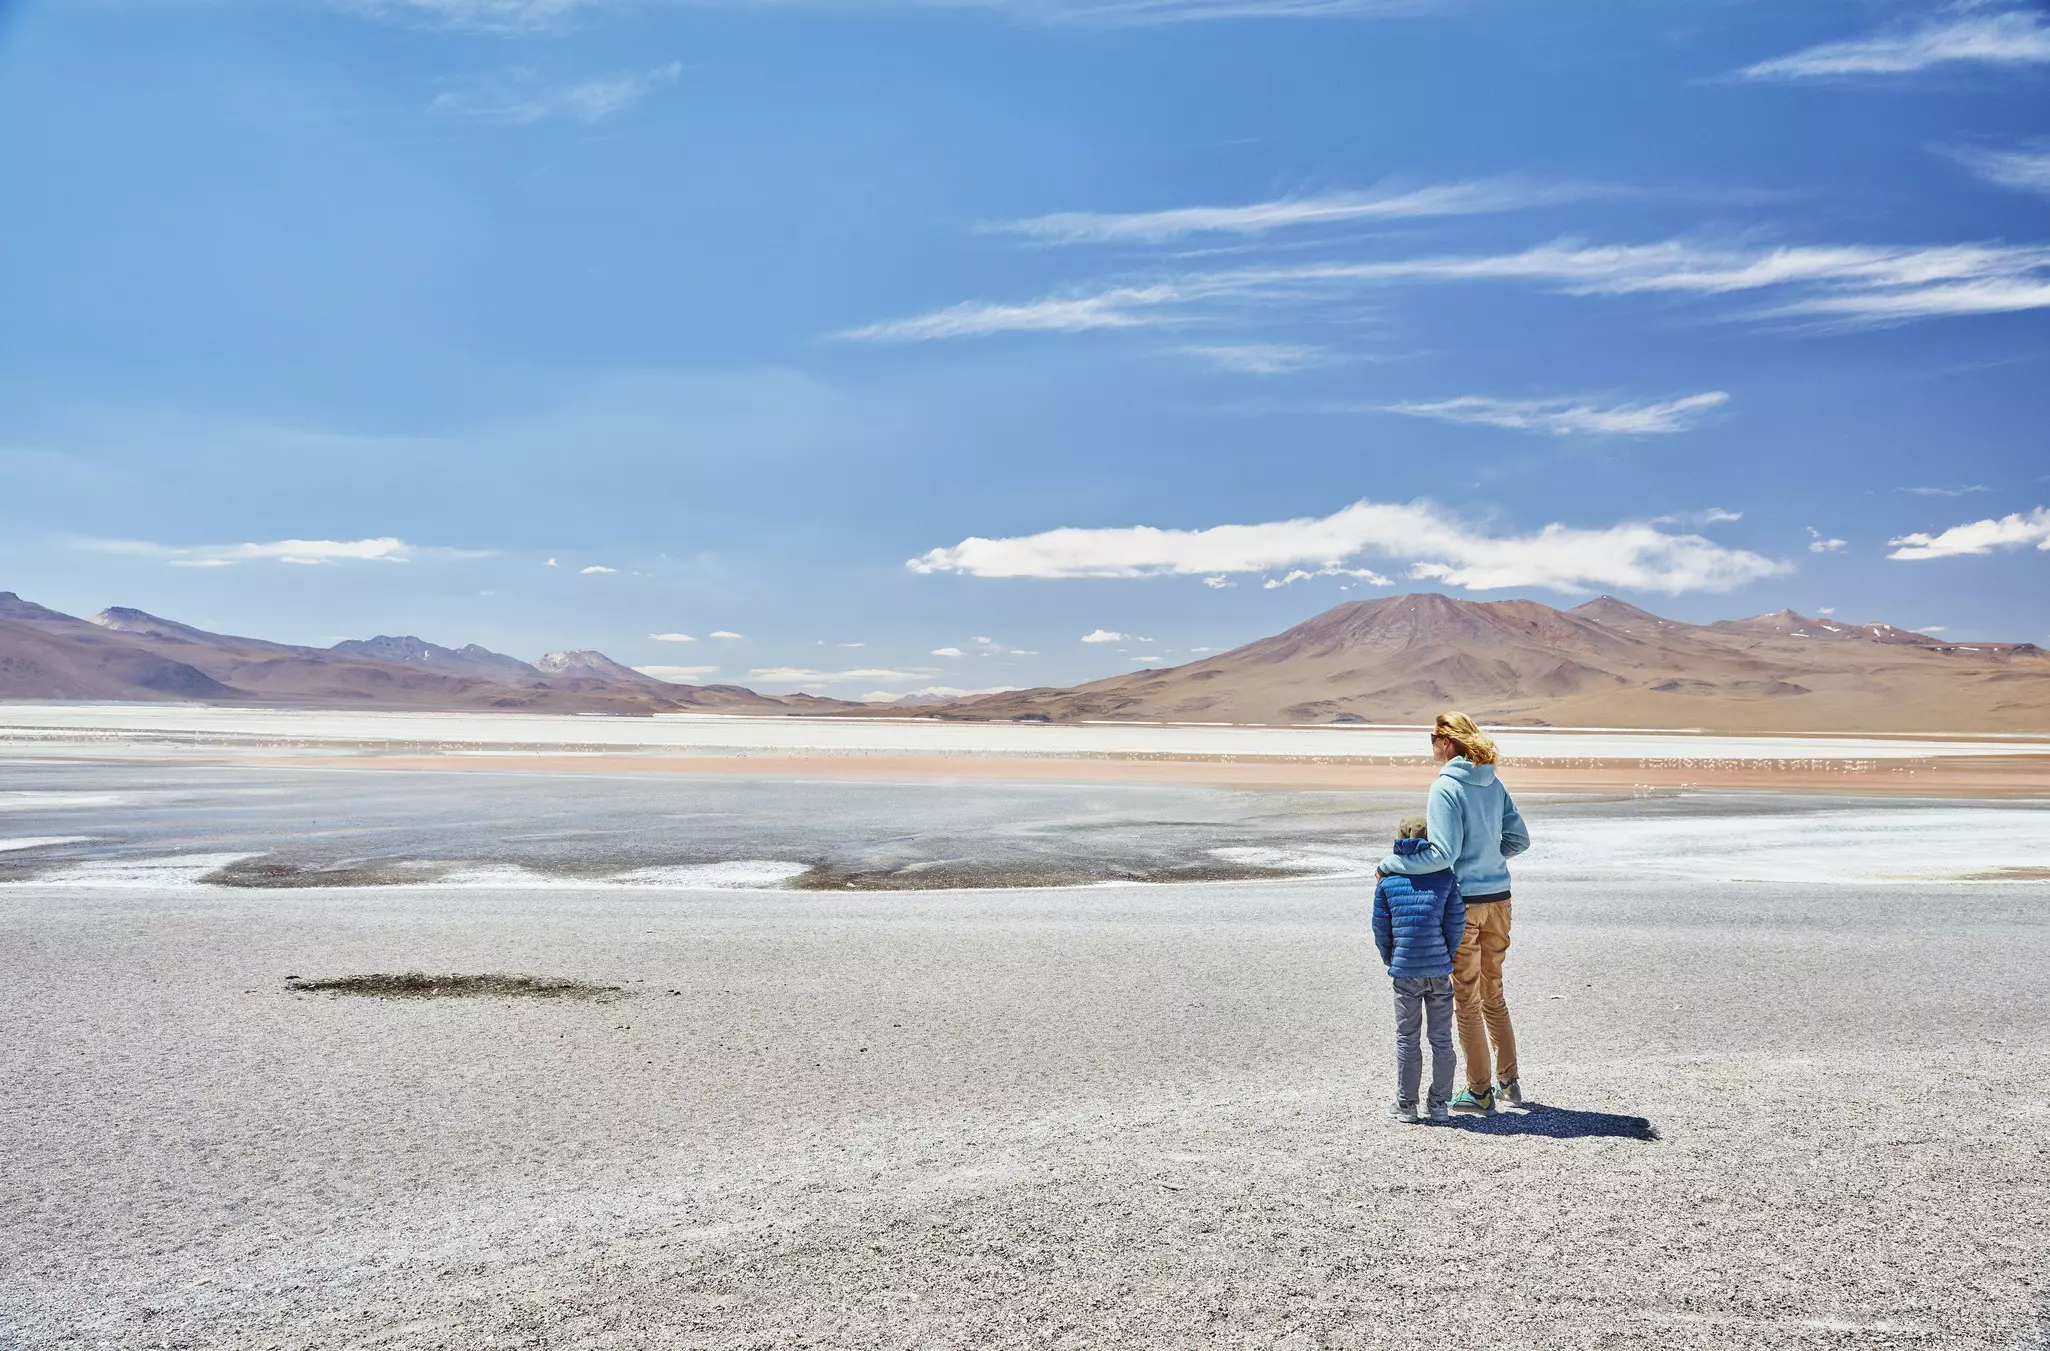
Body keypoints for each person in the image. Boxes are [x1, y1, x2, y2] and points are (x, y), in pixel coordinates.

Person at [1377, 711, 1529, 1115]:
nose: (1431, 745)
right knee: (1493, 991)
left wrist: (1391, 866)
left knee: (1467, 998)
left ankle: (1479, 1091)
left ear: (1447, 743)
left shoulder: (1445, 787)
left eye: (1432, 738)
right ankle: (1509, 1080)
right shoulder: (1493, 782)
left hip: (1465, 904)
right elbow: (1519, 839)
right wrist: (1491, 859)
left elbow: (1443, 854)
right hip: (1500, 898)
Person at [1371, 814, 1464, 1124]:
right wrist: (1445, 956)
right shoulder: (1446, 876)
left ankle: (1406, 1105)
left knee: (1407, 1038)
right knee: (1442, 1039)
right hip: (1438, 969)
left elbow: (1381, 928)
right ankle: (1438, 1105)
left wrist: (1392, 958)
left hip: (1405, 969)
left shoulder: (1388, 879)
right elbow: (1455, 923)